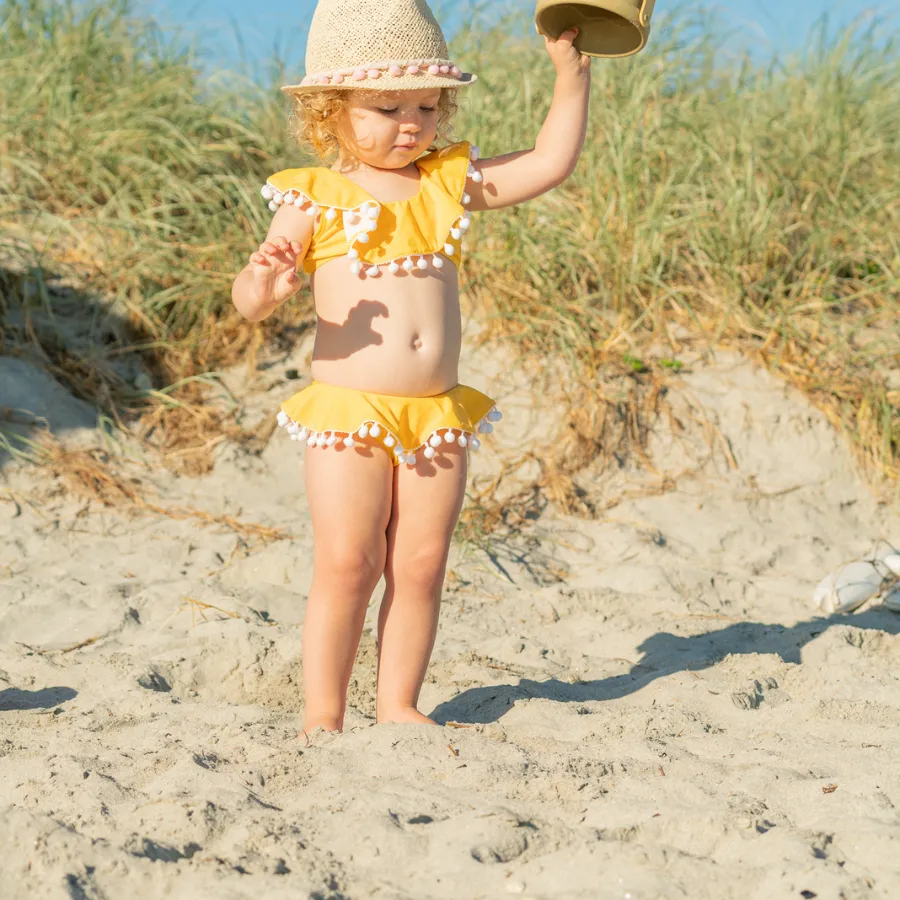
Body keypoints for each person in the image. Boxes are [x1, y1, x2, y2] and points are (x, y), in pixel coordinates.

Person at [231, 0, 590, 738]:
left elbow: (548, 164)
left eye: (426, 105)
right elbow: (250, 298)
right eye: (387, 105)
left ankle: (398, 705)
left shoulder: (445, 183)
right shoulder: (313, 195)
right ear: (330, 111)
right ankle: (322, 715)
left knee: (422, 563)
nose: (411, 122)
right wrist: (262, 287)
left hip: (437, 413)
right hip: (349, 411)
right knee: (348, 562)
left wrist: (571, 79)